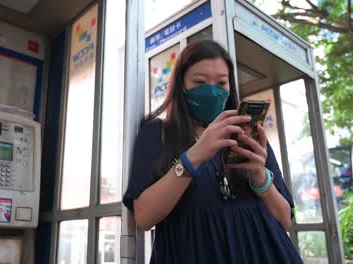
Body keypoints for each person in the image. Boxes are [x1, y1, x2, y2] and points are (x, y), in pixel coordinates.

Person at [123, 40, 302, 263]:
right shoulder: (157, 133)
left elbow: (285, 220)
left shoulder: (246, 133)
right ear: (181, 85)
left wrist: (260, 177)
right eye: (199, 81)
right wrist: (193, 158)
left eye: (221, 83)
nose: (212, 90)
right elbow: (144, 217)